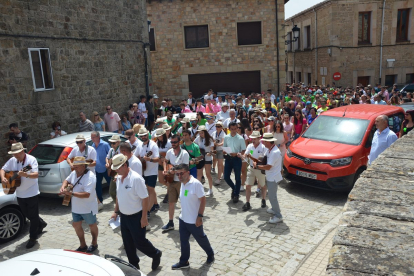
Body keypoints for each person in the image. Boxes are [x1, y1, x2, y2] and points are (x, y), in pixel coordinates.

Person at [110, 154, 162, 271]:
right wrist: (116, 211)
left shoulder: (136, 179)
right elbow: (119, 195)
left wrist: (144, 217)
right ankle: (134, 267)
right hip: (124, 216)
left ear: (124, 165)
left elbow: (145, 198)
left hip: (136, 216)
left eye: (118, 167)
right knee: (128, 244)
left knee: (140, 242)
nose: (116, 170)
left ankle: (156, 254)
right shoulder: (118, 177)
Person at [1, 142, 47, 249]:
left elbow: (36, 174)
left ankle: (33, 238)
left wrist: (26, 174)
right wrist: (3, 177)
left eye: (17, 153)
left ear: (22, 151)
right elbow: (2, 169)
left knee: (33, 216)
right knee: (28, 215)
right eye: (14, 154)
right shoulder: (13, 160)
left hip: (31, 193)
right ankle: (41, 223)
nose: (15, 156)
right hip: (20, 194)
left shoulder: (31, 160)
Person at [171, 163, 214, 270]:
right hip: (183, 219)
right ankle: (184, 261)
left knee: (201, 239)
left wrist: (200, 216)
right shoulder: (183, 183)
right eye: (177, 174)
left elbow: (203, 200)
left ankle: (210, 253)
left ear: (188, 172)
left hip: (194, 220)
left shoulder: (196, 184)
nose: (179, 176)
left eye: (181, 174)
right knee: (184, 241)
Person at [59, 156, 98, 253]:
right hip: (76, 207)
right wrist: (63, 187)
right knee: (76, 225)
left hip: (88, 207)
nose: (74, 168)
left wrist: (71, 193)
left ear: (83, 166)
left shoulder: (90, 176)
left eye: (76, 166)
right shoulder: (74, 173)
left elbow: (86, 194)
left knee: (92, 225)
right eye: (74, 166)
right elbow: (66, 180)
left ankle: (94, 243)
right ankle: (83, 245)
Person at [253, 133, 283, 224]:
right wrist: (257, 162)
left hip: (273, 177)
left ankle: (278, 215)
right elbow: (263, 159)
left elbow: (268, 166)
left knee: (272, 197)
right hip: (270, 176)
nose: (263, 142)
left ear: (268, 142)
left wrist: (257, 167)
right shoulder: (269, 149)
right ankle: (274, 209)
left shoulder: (274, 152)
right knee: (271, 195)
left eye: (264, 141)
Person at [162, 134, 190, 231]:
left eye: (175, 142)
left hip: (183, 183)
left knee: (185, 202)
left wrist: (176, 171)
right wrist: (165, 169)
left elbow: (186, 168)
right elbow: (165, 161)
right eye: (172, 142)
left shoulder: (184, 154)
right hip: (171, 181)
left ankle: (187, 223)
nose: (173, 144)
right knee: (171, 202)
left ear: (179, 142)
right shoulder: (169, 152)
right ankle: (170, 222)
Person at [137, 127, 160, 222]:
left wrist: (149, 159)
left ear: (148, 135)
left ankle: (147, 211)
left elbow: (158, 159)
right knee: (149, 189)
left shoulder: (153, 145)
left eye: (145, 135)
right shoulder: (140, 145)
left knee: (150, 189)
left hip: (152, 171)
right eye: (142, 136)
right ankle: (155, 204)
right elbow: (135, 156)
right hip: (144, 171)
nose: (143, 137)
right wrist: (139, 159)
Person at [242, 131, 267, 211]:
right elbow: (248, 154)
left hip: (260, 169)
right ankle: (247, 203)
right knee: (248, 185)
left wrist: (258, 161)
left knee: (263, 185)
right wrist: (243, 156)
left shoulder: (263, 147)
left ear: (259, 138)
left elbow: (265, 158)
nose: (253, 140)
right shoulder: (250, 146)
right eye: (252, 138)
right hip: (251, 168)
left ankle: (263, 199)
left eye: (254, 139)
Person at [223, 122, 246, 203]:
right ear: (229, 129)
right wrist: (224, 151)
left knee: (237, 178)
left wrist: (237, 154)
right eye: (232, 129)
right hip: (228, 158)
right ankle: (234, 188)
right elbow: (224, 147)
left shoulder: (240, 138)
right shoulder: (226, 137)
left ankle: (236, 194)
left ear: (237, 129)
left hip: (237, 159)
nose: (233, 131)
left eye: (235, 129)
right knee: (226, 177)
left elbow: (243, 150)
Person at [91, 131, 111, 210]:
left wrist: (108, 165)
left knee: (112, 185)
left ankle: (118, 200)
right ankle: (100, 203)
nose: (92, 139)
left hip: (105, 169)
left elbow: (110, 155)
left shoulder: (105, 144)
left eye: (93, 137)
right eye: (91, 137)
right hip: (97, 169)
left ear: (98, 137)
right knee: (97, 186)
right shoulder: (93, 145)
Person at [194, 126, 215, 196]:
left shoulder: (209, 139)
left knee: (208, 174)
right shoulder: (198, 138)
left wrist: (210, 153)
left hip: (207, 158)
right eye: (200, 133)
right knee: (199, 175)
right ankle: (198, 190)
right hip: (200, 158)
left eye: (202, 133)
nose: (201, 134)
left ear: (205, 132)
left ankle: (210, 189)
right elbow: (194, 145)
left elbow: (212, 150)